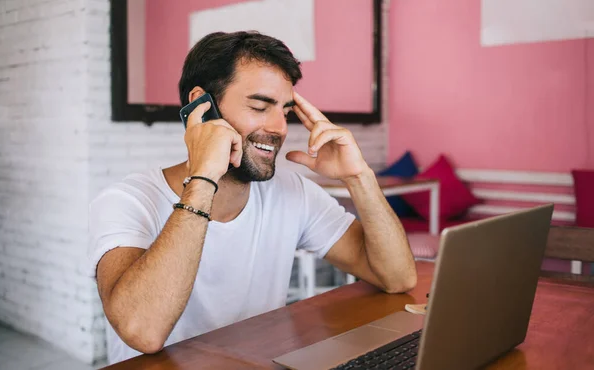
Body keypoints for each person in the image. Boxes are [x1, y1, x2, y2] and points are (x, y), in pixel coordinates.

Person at [89, 31, 416, 364]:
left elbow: (398, 277)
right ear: (201, 105)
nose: (279, 128)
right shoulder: (127, 201)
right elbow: (141, 331)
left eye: (285, 111)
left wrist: (358, 177)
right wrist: (204, 177)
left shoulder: (293, 192)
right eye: (260, 107)